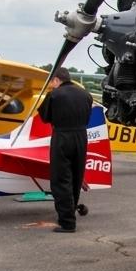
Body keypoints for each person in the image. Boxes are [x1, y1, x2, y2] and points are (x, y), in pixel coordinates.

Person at [37, 67, 93, 233]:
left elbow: (45, 117)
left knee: (61, 179)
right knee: (76, 177)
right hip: (81, 137)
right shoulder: (86, 94)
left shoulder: (54, 94)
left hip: (62, 136)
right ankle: (70, 213)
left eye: (52, 82)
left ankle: (67, 222)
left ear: (56, 80)